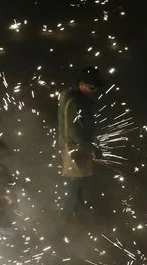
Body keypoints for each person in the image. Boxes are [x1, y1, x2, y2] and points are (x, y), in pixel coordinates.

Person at [58, 66, 108, 218]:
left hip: (80, 145)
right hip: (74, 147)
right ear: (82, 84)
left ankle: (75, 208)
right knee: (74, 182)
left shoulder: (80, 98)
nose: (94, 91)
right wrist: (91, 147)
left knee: (79, 181)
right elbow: (74, 131)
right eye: (92, 88)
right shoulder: (74, 102)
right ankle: (66, 216)